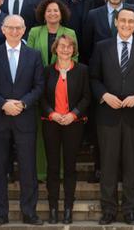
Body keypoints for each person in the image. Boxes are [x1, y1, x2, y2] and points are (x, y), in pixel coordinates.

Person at [89, 8, 134, 225]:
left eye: (131, 21)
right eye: (123, 20)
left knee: (132, 166)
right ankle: (108, 210)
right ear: (116, 22)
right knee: (107, 165)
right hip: (108, 115)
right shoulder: (102, 47)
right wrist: (104, 95)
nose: (126, 24)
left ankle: (130, 210)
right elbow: (94, 77)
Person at [0, 14, 46, 226]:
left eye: (18, 28)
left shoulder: (34, 55)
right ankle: (0, 214)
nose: (15, 31)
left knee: (28, 169)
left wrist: (23, 104)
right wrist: (3, 104)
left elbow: (39, 86)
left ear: (24, 29)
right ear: (3, 29)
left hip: (24, 119)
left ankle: (29, 212)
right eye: (10, 28)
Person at [40, 34, 90, 224]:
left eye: (69, 46)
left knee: (70, 167)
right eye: (62, 46)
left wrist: (73, 114)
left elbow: (86, 97)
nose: (65, 49)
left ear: (74, 49)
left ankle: (68, 208)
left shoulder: (82, 70)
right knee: (52, 167)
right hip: (51, 123)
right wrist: (52, 114)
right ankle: (53, 208)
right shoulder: (47, 72)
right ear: (56, 48)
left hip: (73, 124)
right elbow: (42, 97)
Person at [27, 0, 78, 181]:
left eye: (56, 10)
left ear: (61, 13)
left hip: (62, 87)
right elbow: (29, 58)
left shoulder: (69, 32)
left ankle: (62, 172)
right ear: (43, 13)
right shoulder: (34, 32)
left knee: (64, 134)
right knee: (41, 133)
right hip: (39, 86)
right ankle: (41, 172)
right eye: (49, 11)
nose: (52, 14)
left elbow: (75, 57)